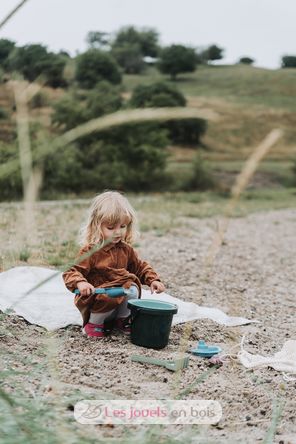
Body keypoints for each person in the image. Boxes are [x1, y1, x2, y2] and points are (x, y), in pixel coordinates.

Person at [63, 191, 165, 338]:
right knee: (109, 295)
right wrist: (80, 283)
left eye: (122, 226)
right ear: (97, 226)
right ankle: (94, 324)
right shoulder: (91, 251)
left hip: (118, 297)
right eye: (111, 228)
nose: (118, 232)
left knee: (132, 288)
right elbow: (71, 271)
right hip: (98, 298)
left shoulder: (126, 249)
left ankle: (122, 319)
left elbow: (140, 267)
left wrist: (153, 279)